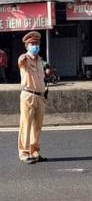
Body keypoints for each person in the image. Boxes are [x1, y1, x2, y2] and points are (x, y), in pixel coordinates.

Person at [17, 31, 48, 164]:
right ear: (27, 46)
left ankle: (34, 151)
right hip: (28, 95)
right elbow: (21, 62)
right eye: (32, 44)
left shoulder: (40, 60)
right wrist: (23, 59)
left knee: (37, 126)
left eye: (37, 43)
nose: (35, 46)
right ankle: (24, 153)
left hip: (40, 96)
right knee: (26, 125)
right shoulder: (25, 58)